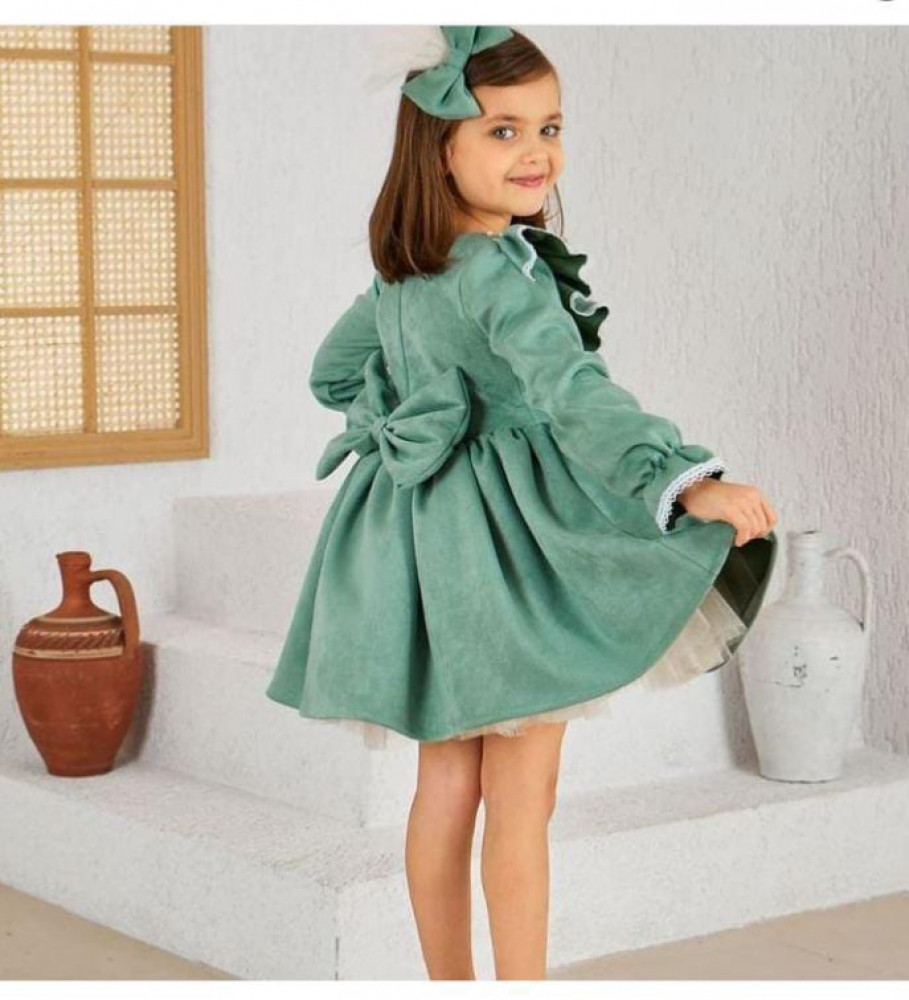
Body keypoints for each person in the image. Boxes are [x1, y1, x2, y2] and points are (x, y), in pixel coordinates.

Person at [265, 26, 778, 980]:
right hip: (512, 555)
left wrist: (415, 417)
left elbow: (331, 374)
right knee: (522, 796)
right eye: (502, 130)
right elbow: (572, 393)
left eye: (549, 126)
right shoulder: (497, 270)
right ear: (439, 146)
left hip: (425, 546)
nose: (535, 152)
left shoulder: (405, 269)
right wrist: (681, 481)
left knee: (444, 782)